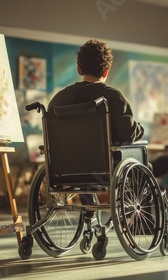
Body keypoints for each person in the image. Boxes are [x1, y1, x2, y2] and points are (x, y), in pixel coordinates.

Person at [48, 39, 144, 215]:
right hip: (104, 171)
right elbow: (128, 134)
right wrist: (140, 129)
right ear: (106, 70)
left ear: (79, 69)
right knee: (142, 159)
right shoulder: (112, 97)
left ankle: (89, 211)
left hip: (65, 171)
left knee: (83, 154)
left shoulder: (58, 100)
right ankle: (139, 218)